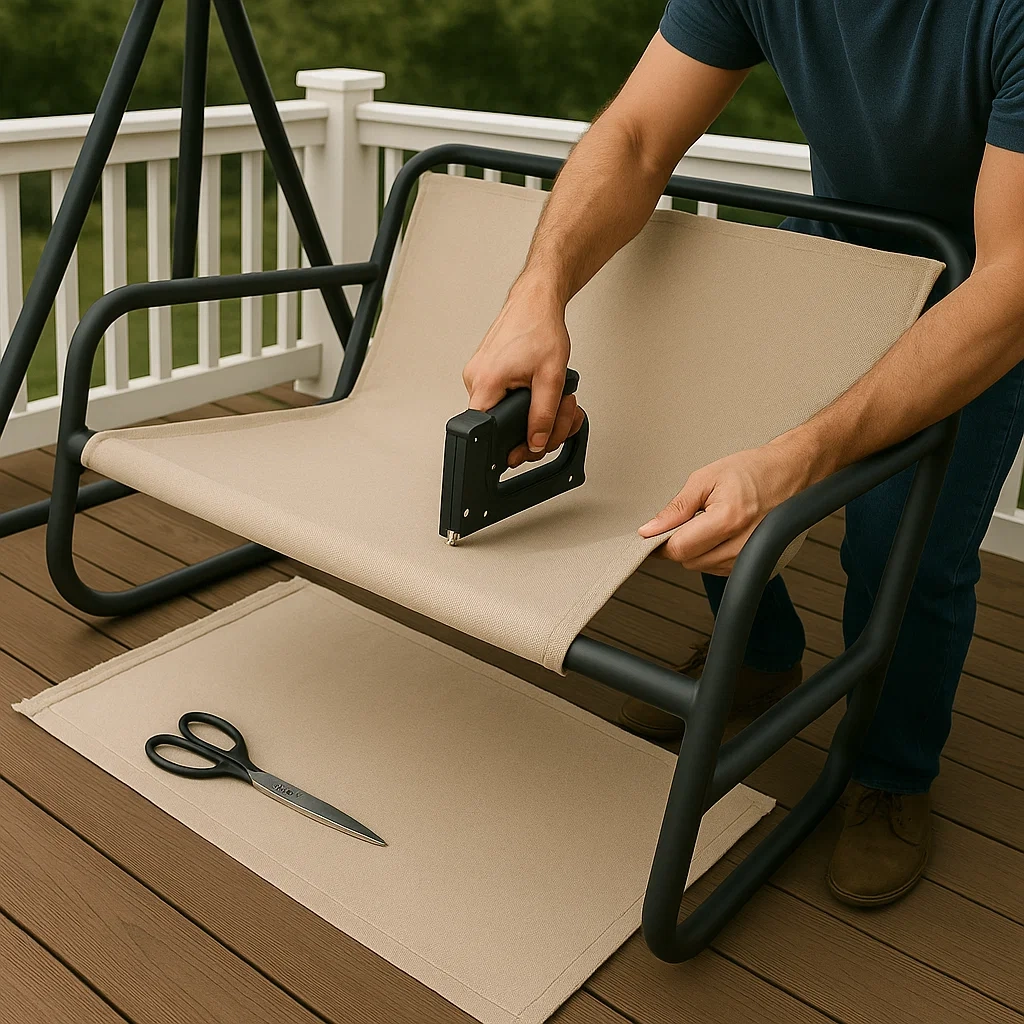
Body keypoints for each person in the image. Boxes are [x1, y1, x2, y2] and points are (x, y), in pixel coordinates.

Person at [462, 0, 1024, 908]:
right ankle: (762, 654)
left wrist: (803, 457)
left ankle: (890, 773)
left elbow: (1014, 278)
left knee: (901, 554)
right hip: (837, 259)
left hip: (978, 293)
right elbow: (640, 135)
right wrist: (540, 289)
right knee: (710, 438)